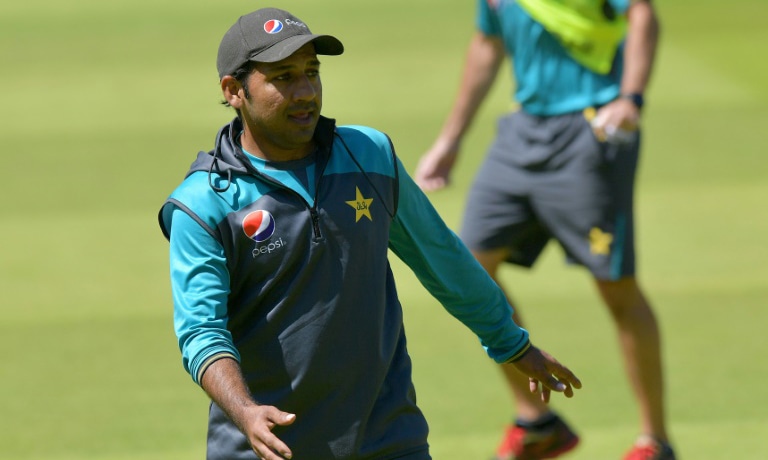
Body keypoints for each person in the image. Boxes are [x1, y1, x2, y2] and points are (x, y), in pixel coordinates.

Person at [158, 7, 582, 460]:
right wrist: (246, 413)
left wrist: (510, 342)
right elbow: (202, 332)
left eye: (312, 72)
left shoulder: (369, 156)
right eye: (283, 78)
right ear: (233, 90)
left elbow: (443, 259)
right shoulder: (203, 203)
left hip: (387, 438)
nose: (305, 92)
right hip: (268, 447)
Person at [414, 0, 671, 459]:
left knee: (617, 287)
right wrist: (450, 139)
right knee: (468, 268)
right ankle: (538, 421)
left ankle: (655, 441)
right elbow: (487, 44)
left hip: (593, 128)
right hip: (522, 131)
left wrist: (630, 98)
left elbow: (641, 12)